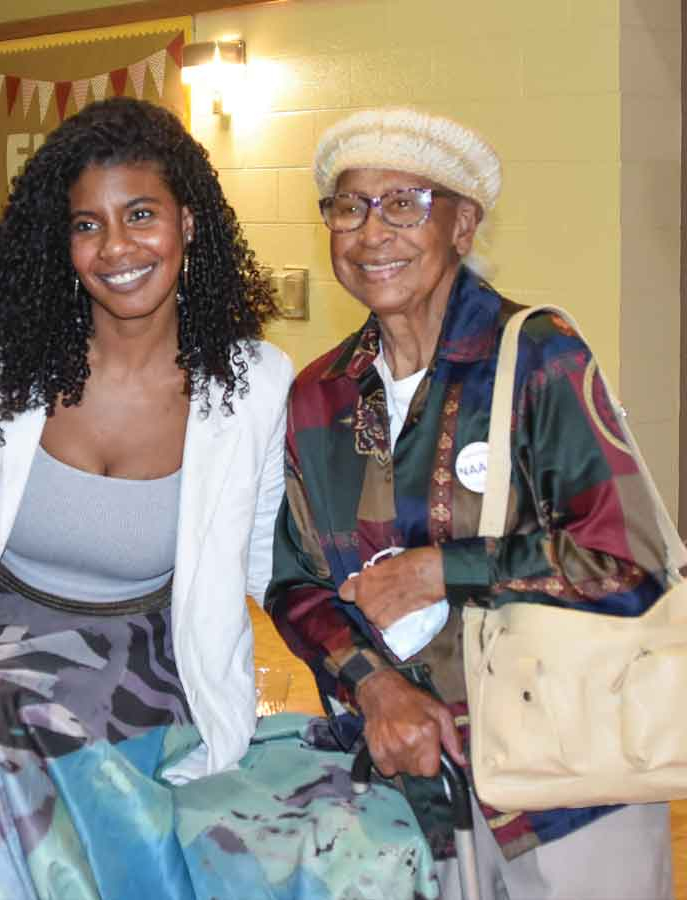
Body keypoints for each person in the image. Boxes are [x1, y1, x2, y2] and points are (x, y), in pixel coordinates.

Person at [0, 97, 441, 900]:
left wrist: (381, 672)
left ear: (188, 222)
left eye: (140, 214)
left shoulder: (252, 385)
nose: (116, 247)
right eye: (86, 225)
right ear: (61, 241)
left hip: (149, 655)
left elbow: (266, 562)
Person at [266, 106, 674, 900]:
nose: (370, 232)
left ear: (463, 225)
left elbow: (631, 560)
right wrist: (377, 689)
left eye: (405, 204)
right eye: (348, 207)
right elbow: (296, 585)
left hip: (570, 782)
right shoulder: (318, 395)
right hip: (408, 785)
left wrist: (439, 571)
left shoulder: (537, 355)